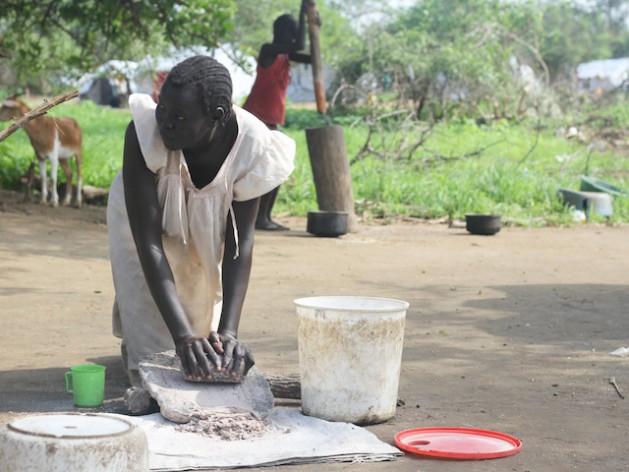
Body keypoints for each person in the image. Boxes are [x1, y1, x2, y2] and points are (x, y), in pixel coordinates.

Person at [106, 55, 295, 398]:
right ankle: (139, 341)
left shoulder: (250, 146)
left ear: (217, 117)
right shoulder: (143, 135)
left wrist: (230, 332)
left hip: (204, 226)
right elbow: (149, 245)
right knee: (154, 364)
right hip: (140, 219)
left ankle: (183, 331)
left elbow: (240, 245)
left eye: (179, 117)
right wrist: (181, 338)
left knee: (202, 330)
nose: (165, 123)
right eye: (162, 108)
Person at [243, 0, 313, 231]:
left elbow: (312, 56)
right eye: (291, 32)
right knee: (272, 167)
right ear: (283, 33)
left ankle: (264, 217)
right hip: (256, 120)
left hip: (269, 122)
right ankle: (260, 219)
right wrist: (303, 13)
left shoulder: (285, 56)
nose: (293, 38)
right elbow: (299, 43)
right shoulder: (268, 50)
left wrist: (314, 25)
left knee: (277, 167)